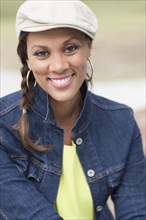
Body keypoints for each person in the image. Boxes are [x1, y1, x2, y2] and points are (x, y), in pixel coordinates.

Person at [0, 0, 146, 219]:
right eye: (42, 53)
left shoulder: (121, 122)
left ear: (89, 47)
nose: (58, 66)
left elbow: (136, 211)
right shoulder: (3, 125)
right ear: (27, 58)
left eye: (70, 48)